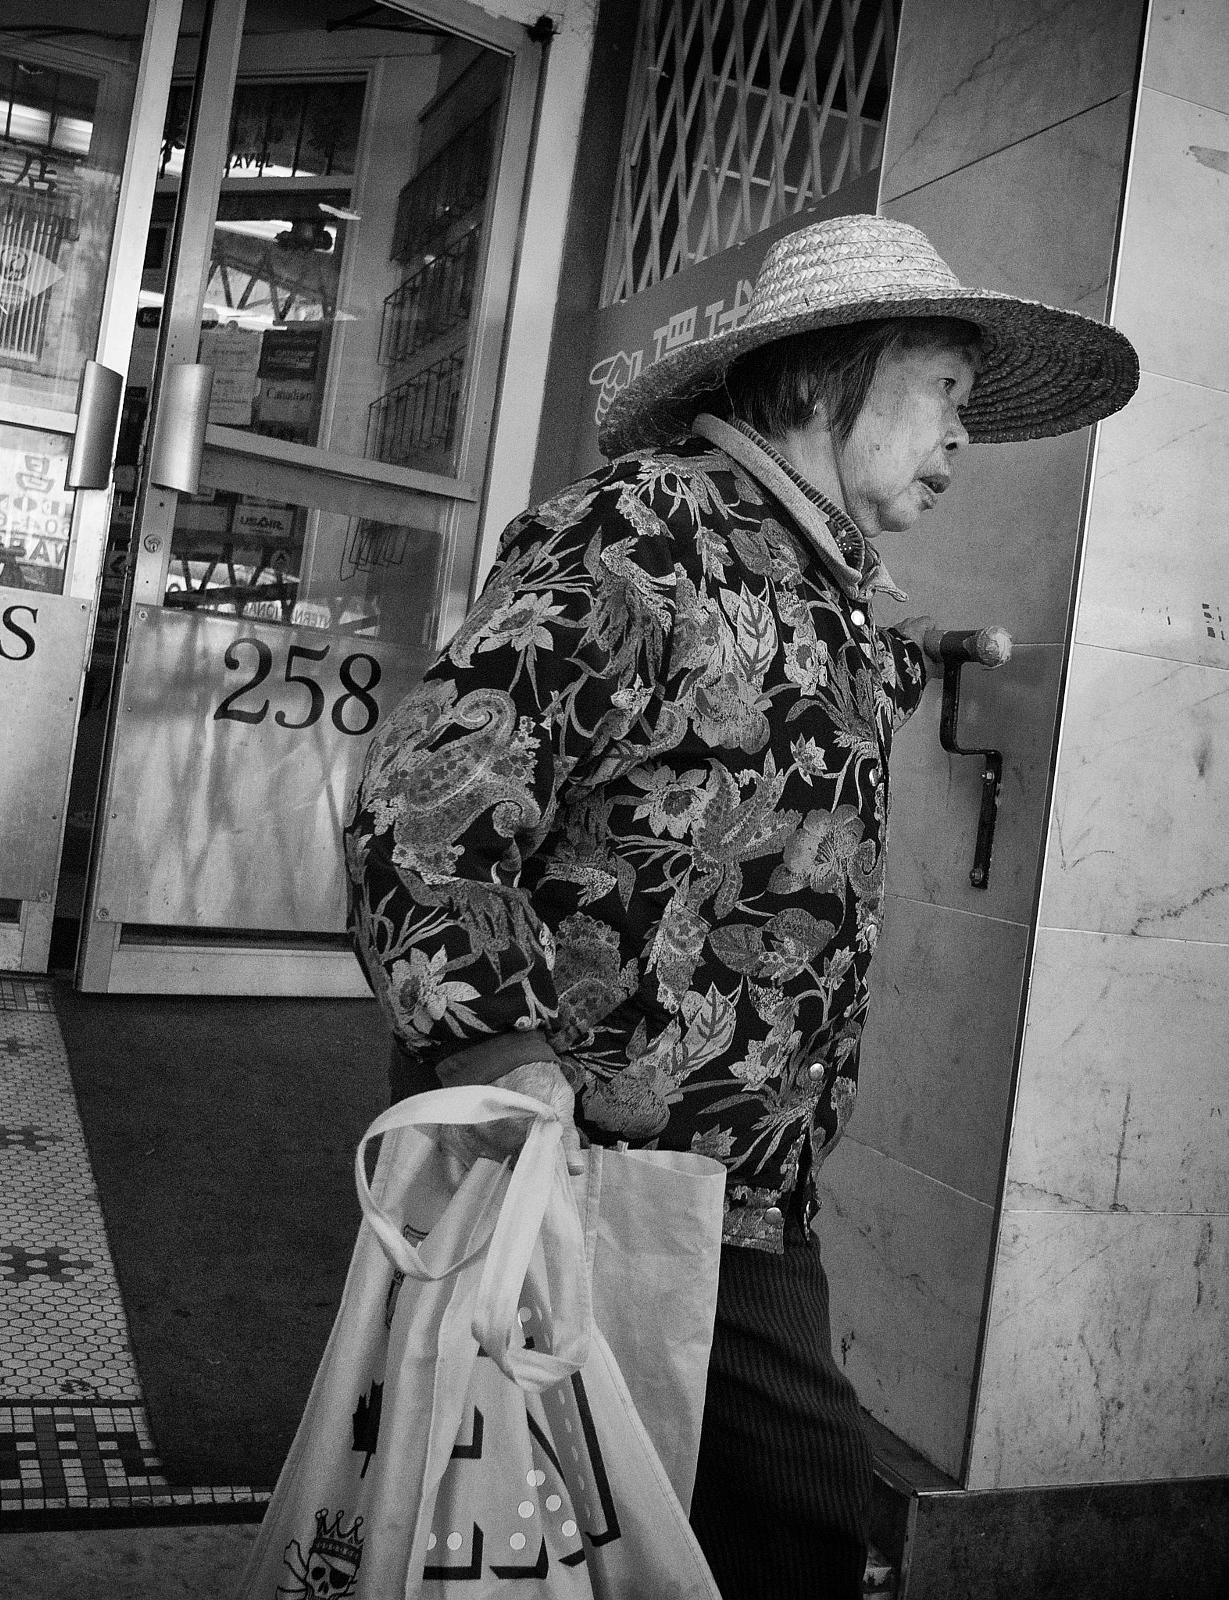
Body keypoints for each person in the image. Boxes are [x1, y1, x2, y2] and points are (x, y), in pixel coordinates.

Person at [342, 213, 1137, 1600]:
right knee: (783, 1523)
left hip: (746, 1177)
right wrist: (498, 1056)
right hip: (608, 1166)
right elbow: (427, 803)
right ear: (830, 375)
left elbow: (777, 724)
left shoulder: (819, 577)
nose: (962, 437)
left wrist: (924, 646)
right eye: (945, 391)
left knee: (635, 1531)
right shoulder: (642, 531)